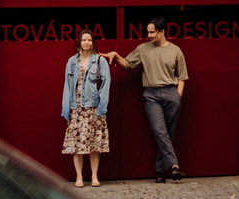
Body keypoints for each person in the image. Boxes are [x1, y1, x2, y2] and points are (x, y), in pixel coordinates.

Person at [112, 20, 189, 183]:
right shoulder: (143, 49)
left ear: (162, 32)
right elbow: (128, 64)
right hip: (151, 95)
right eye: (148, 32)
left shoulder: (175, 51)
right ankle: (174, 166)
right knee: (160, 130)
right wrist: (116, 56)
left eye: (152, 32)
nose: (149, 36)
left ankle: (160, 170)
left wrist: (178, 97)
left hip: (171, 94)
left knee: (168, 133)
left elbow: (182, 77)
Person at [59, 29, 113, 187]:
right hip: (77, 109)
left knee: (94, 145)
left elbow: (105, 85)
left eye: (89, 40)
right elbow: (67, 86)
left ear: (93, 42)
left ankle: (95, 176)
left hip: (93, 108)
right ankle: (79, 177)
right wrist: (66, 109)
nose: (87, 43)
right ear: (79, 43)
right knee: (77, 146)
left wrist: (102, 108)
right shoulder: (71, 62)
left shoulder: (100, 61)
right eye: (84, 40)